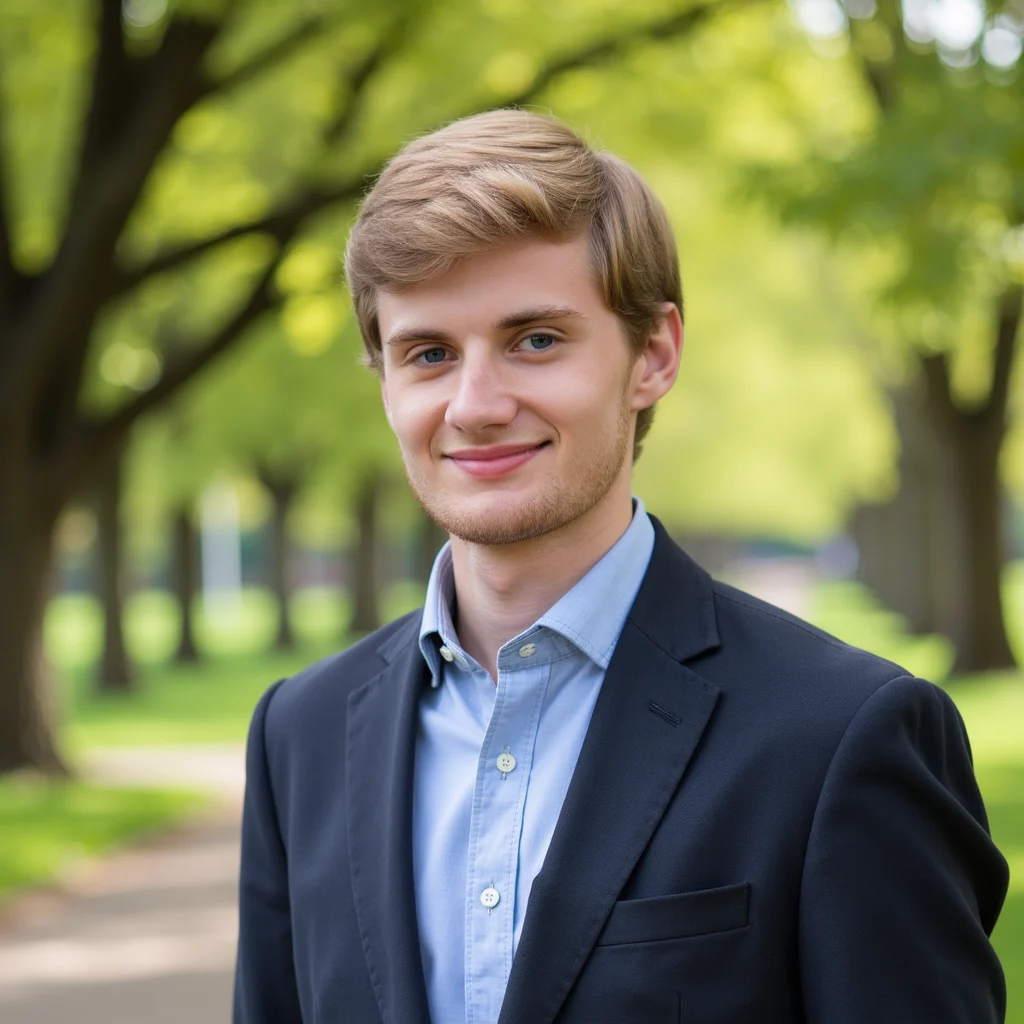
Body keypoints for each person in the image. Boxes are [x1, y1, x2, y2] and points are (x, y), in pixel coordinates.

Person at [233, 110, 1008, 1024]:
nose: (476, 405)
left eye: (535, 340)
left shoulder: (844, 737)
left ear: (654, 355)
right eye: (429, 354)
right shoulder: (302, 734)